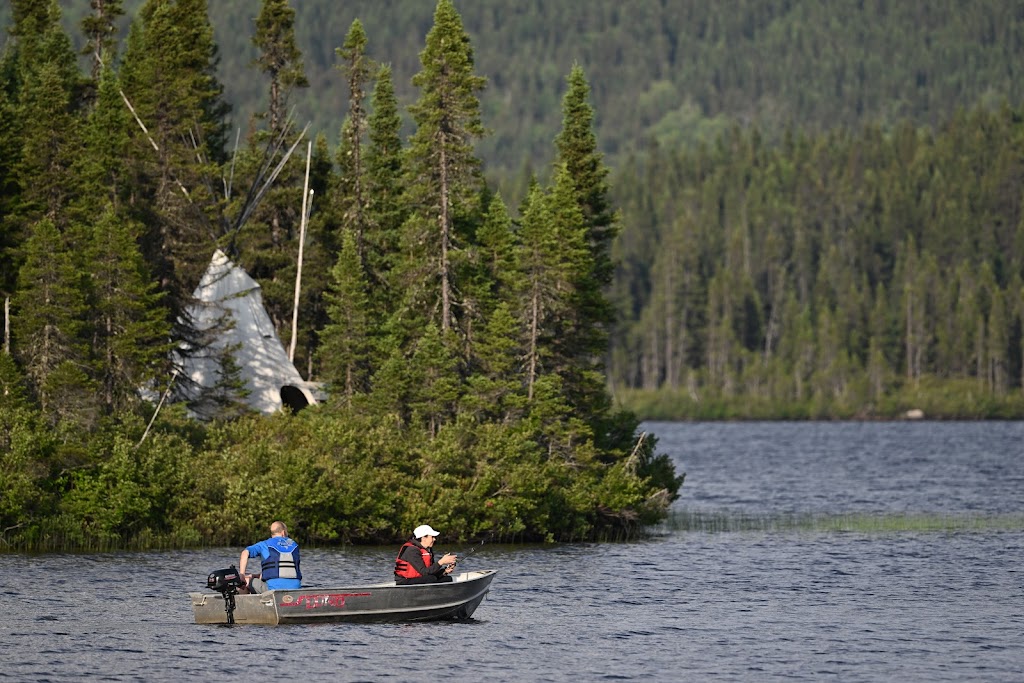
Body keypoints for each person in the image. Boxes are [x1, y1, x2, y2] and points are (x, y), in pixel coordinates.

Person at [239, 520, 302, 593]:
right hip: (295, 589)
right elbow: (281, 570)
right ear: (283, 532)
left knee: (243, 582)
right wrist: (255, 576)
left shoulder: (264, 544)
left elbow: (245, 553)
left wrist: (242, 575)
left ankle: (244, 604)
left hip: (272, 590)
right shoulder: (295, 545)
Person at [394, 524, 458, 585]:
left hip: (418, 578)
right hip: (404, 581)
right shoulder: (412, 550)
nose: (434, 539)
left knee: (447, 579)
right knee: (431, 578)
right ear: (423, 538)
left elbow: (430, 571)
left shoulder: (427, 550)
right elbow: (424, 572)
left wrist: (445, 571)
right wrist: (441, 562)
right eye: (432, 537)